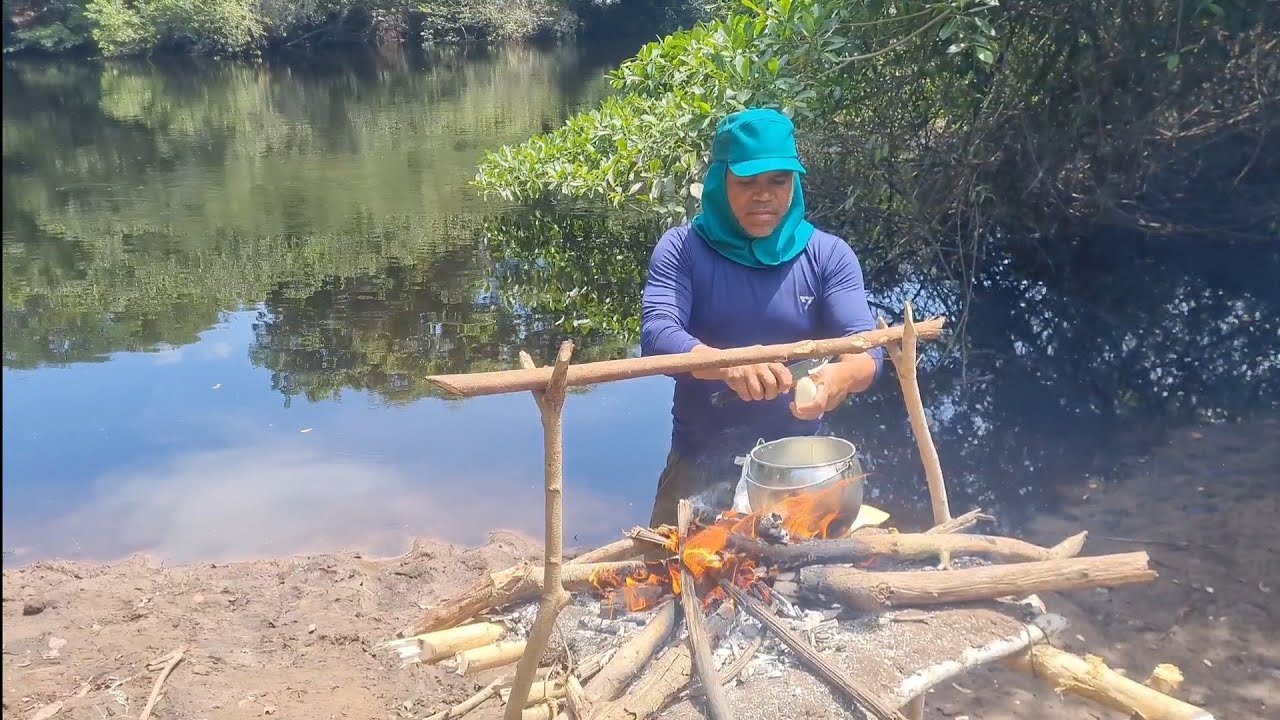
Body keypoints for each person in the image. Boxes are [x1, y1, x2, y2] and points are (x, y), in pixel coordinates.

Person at [640, 107, 885, 528]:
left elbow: (866, 350)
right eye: (747, 182)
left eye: (778, 180)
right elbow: (657, 334)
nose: (764, 195)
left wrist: (838, 379)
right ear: (719, 181)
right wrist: (728, 364)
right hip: (698, 463)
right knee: (672, 564)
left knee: (805, 567)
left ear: (794, 183)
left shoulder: (827, 255)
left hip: (799, 471)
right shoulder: (682, 249)